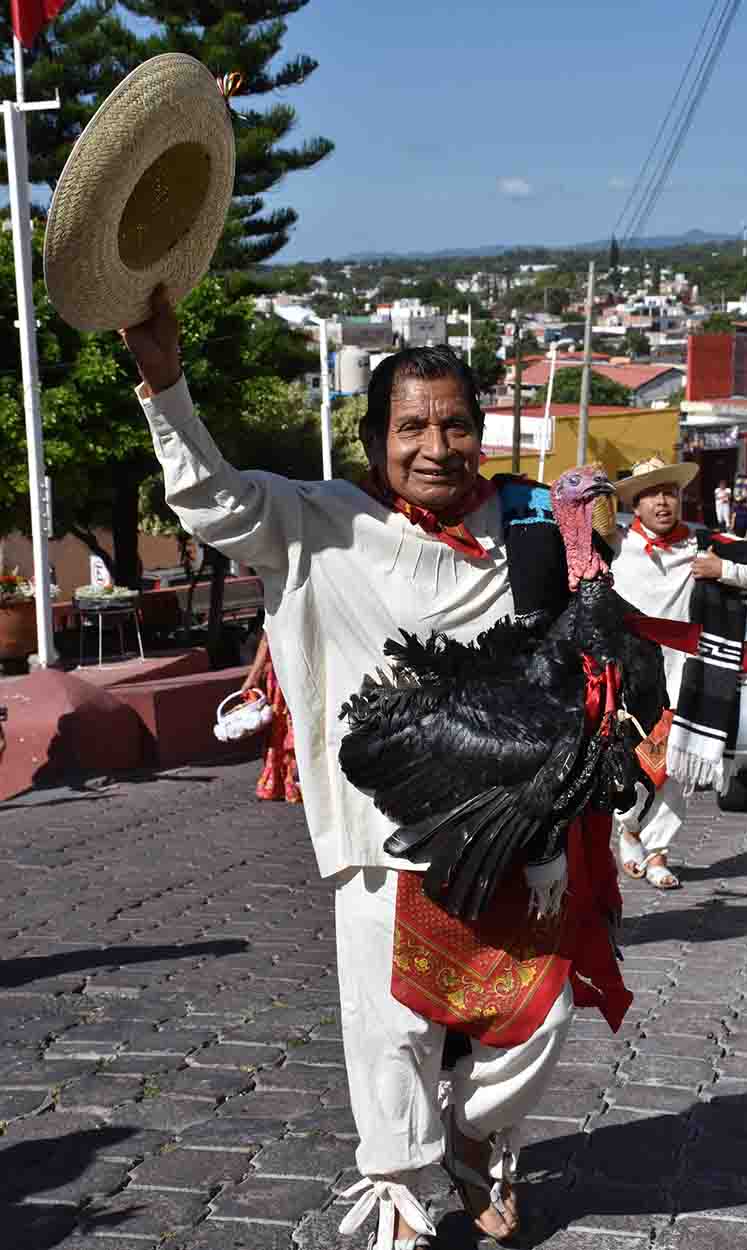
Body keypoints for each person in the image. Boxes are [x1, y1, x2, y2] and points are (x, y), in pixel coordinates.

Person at [121, 290, 622, 1249]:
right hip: (379, 839)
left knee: (541, 1011)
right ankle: (398, 1188)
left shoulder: (524, 533)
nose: (436, 445)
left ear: (482, 431)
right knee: (390, 1028)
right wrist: (163, 381)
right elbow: (210, 497)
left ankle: (474, 1140)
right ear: (374, 439)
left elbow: (581, 663)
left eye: (456, 424)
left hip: (516, 830)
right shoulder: (316, 523)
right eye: (411, 426)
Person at [609, 457, 747, 890]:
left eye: (670, 493)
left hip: (689, 675)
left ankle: (659, 851)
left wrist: (725, 571)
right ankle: (627, 829)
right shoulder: (616, 546)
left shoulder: (705, 545)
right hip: (630, 675)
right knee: (622, 763)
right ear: (636, 503)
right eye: (652, 495)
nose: (663, 502)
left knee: (677, 768)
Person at [241, 631, 302, 803]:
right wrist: (253, 676)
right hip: (288, 672)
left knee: (286, 728)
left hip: (291, 670)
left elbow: (267, 637)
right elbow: (268, 635)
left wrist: (253, 676)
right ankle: (295, 782)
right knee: (288, 727)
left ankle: (293, 782)